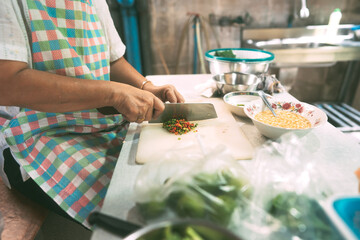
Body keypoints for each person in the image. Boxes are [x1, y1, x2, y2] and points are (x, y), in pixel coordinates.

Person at [0, 0, 184, 228]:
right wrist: (112, 94)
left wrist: (146, 87)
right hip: (34, 139)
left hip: (102, 125)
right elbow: (8, 83)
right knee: (141, 214)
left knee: (169, 185)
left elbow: (113, 60)